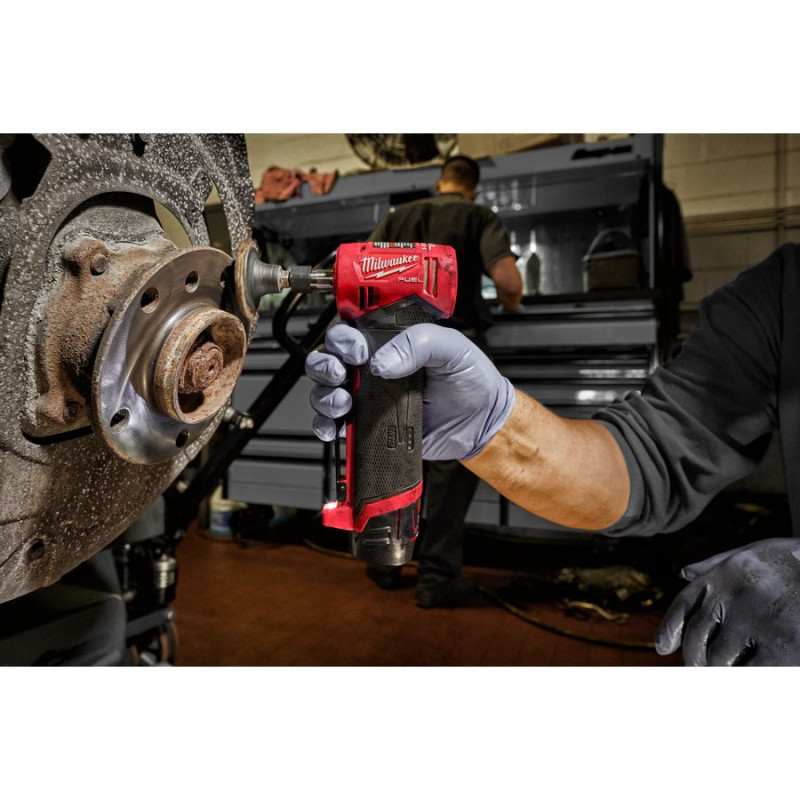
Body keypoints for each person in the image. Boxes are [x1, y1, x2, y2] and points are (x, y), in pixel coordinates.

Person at [307, 241, 800, 665]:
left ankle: (415, 571)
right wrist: (491, 425)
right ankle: (421, 570)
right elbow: (652, 460)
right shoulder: (781, 292)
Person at [312, 154, 522, 609]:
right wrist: (511, 300)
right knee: (451, 467)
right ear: (472, 189)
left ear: (439, 181)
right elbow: (508, 281)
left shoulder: (399, 217)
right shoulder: (478, 216)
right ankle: (437, 578)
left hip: (389, 347)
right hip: (454, 353)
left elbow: (358, 273)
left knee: (388, 444)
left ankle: (383, 561)